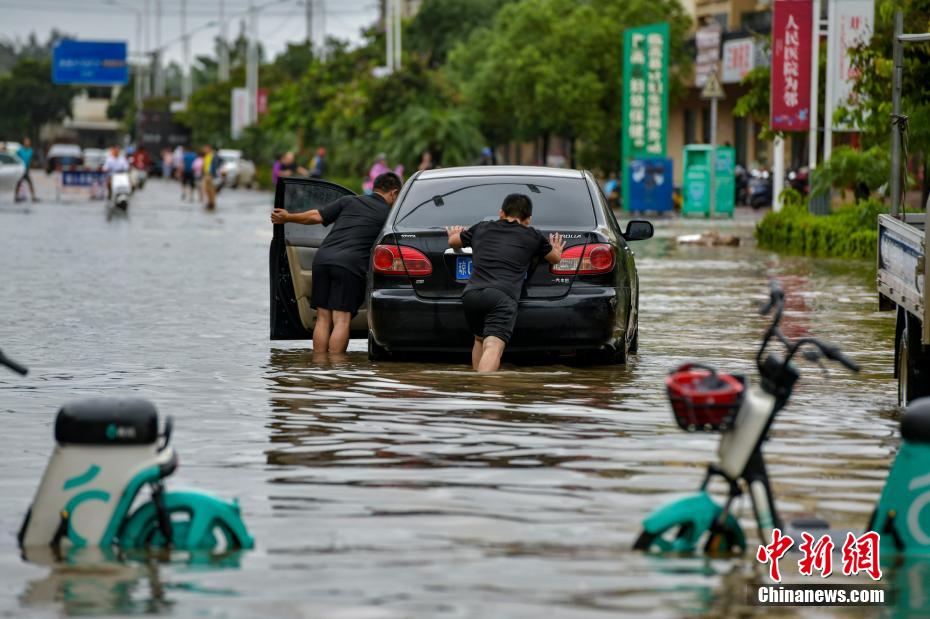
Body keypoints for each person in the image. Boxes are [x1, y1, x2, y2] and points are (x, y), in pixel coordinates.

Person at [270, 172, 402, 354]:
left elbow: (315, 216)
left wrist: (287, 217)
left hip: (322, 259)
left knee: (322, 318)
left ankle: (320, 364)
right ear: (394, 193)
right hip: (350, 265)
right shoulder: (390, 215)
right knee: (341, 320)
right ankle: (337, 367)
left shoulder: (350, 201)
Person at [446, 194, 565, 373]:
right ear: (528, 219)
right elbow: (555, 259)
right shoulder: (532, 235)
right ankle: (485, 388)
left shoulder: (482, 227)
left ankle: (475, 385)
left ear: (501, 213)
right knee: (493, 346)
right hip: (501, 297)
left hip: (471, 295)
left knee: (479, 339)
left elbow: (453, 242)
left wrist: (455, 234)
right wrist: (556, 249)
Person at [14, 137, 37, 202]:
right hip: (20, 169)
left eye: (28, 142)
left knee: (30, 183)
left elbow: (31, 159)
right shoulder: (20, 150)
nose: (27, 143)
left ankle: (33, 197)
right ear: (23, 142)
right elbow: (16, 158)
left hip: (26, 169)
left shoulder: (30, 150)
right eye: (26, 141)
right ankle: (16, 197)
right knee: (18, 183)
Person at [201, 145, 220, 210]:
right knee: (207, 190)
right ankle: (210, 202)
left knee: (211, 190)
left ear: (209, 149)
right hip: (206, 174)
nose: (204, 150)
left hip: (210, 175)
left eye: (205, 148)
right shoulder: (206, 156)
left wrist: (212, 174)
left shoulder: (212, 156)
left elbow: (214, 166)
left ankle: (212, 203)